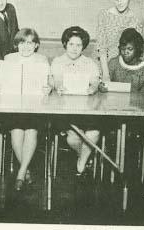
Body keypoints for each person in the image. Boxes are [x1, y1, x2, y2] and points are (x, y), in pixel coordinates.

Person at [0, 28, 51, 191]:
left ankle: (21, 173)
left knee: (32, 131)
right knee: (16, 131)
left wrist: (48, 87)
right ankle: (25, 172)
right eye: (21, 43)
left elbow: (50, 82)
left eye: (29, 43)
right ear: (16, 45)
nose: (25, 47)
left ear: (36, 45)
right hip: (13, 105)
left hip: (35, 106)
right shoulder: (9, 58)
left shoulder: (42, 59)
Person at [51, 26, 100, 176]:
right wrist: (58, 87)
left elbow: (95, 82)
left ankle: (81, 163)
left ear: (83, 47)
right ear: (65, 44)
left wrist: (93, 88)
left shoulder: (90, 63)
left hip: (87, 110)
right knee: (73, 138)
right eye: (71, 44)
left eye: (78, 45)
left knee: (93, 133)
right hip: (66, 111)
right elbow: (54, 81)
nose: (74, 48)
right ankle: (85, 158)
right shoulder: (57, 61)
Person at [95, 0, 144, 82]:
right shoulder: (104, 15)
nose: (119, 2)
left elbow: (136, 50)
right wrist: (106, 74)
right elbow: (102, 47)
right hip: (104, 66)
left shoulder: (137, 19)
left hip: (126, 68)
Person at [104, 28, 144, 97]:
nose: (125, 52)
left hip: (136, 105)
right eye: (123, 49)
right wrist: (102, 87)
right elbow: (106, 86)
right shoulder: (114, 63)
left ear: (137, 49)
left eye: (130, 49)